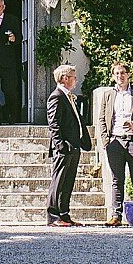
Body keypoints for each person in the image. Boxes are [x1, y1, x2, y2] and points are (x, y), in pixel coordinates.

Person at [94, 60, 133, 227]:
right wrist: (107, 140)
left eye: (122, 73)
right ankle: (116, 216)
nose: (120, 76)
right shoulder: (108, 95)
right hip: (115, 141)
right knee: (116, 180)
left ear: (128, 74)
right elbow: (102, 119)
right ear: (113, 76)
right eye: (116, 73)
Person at [45, 63, 89, 226]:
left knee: (68, 181)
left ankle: (64, 213)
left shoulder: (69, 96)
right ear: (64, 78)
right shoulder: (56, 96)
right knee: (59, 181)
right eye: (73, 77)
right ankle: (53, 215)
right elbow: (54, 124)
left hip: (74, 145)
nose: (76, 81)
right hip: (64, 147)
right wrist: (60, 146)